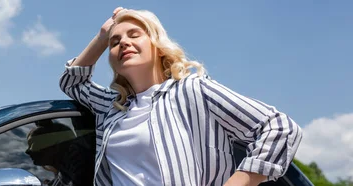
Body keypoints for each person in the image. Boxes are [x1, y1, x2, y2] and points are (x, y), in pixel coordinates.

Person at [58, 7, 303, 186]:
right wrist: (101, 37)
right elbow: (73, 81)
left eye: (134, 35)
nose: (123, 43)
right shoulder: (112, 108)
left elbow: (280, 127)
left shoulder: (191, 90)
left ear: (157, 44)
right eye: (115, 42)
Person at [25, 121, 95, 186]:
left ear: (55, 143)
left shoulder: (82, 167)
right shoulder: (64, 174)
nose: (27, 151)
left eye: (32, 143)